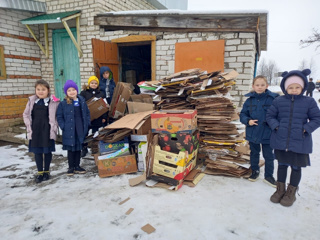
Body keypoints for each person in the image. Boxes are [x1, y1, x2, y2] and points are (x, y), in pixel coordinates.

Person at [266, 69, 320, 207]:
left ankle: (291, 193)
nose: (294, 90)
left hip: (300, 141)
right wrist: (276, 126)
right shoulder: (278, 100)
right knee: (282, 165)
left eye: (297, 87)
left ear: (302, 87)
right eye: (291, 87)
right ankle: (280, 190)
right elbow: (270, 116)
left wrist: (306, 129)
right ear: (285, 87)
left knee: (296, 167)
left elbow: (316, 118)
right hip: (281, 139)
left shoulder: (309, 101)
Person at [240, 75, 279, 187]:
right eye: (257, 85)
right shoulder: (249, 100)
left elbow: (279, 114)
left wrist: (274, 125)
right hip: (253, 131)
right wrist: (248, 121)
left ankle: (269, 176)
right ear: (253, 86)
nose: (260, 87)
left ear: (267, 86)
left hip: (268, 132)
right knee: (254, 153)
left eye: (262, 85)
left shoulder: (273, 99)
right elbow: (243, 114)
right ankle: (255, 171)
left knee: (269, 155)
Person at [23, 79, 60, 183]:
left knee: (47, 151)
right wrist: (28, 124)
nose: (40, 91)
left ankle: (46, 171)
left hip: (47, 130)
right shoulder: (31, 101)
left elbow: (58, 114)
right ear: (35, 90)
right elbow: (25, 114)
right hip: (35, 130)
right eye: (38, 89)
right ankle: (40, 172)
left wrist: (55, 125)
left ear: (48, 90)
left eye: (43, 89)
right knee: (37, 152)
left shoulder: (53, 102)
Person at [56, 80, 91, 176]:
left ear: (77, 90)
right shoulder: (63, 104)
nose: (72, 92)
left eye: (73, 89)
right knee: (71, 149)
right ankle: (71, 167)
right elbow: (59, 116)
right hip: (69, 129)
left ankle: (77, 166)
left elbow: (87, 113)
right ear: (66, 92)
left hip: (80, 128)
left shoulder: (81, 101)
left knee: (78, 148)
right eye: (69, 90)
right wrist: (63, 126)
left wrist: (87, 124)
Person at [80, 75, 107, 157]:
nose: (94, 84)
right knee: (84, 133)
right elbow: (81, 105)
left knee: (95, 134)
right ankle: (84, 148)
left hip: (97, 118)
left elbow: (104, 106)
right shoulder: (84, 93)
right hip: (86, 118)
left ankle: (94, 149)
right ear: (89, 83)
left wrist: (104, 117)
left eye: (95, 83)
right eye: (92, 83)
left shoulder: (101, 93)